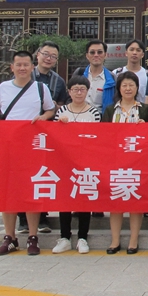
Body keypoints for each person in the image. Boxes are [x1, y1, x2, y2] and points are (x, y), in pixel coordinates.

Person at [0, 51, 56, 256]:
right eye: (19, 65)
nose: (22, 68)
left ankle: (33, 236)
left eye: (26, 65)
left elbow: (50, 110)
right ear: (12, 67)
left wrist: (43, 118)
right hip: (7, 146)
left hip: (32, 147)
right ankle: (10, 237)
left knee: (31, 190)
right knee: (7, 191)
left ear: (32, 67)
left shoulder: (41, 88)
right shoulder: (4, 87)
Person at [17, 40, 65, 234]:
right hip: (23, 134)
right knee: (22, 176)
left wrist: (52, 106)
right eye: (45, 54)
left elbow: (61, 106)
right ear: (37, 55)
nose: (48, 58)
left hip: (45, 136)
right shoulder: (25, 75)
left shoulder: (58, 81)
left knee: (42, 174)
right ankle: (22, 219)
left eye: (53, 56)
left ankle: (42, 217)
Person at [103, 71, 148, 254]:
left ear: (137, 88)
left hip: (138, 163)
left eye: (132, 85)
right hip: (115, 162)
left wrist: (146, 127)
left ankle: (133, 240)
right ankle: (115, 241)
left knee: (135, 202)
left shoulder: (144, 109)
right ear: (119, 88)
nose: (128, 88)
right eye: (124, 85)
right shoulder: (110, 110)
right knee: (115, 202)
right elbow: (103, 136)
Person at [51, 75, 101, 254]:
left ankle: (82, 237)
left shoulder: (94, 113)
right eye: (75, 89)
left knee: (84, 199)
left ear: (88, 91)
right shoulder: (62, 112)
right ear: (69, 92)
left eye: (82, 89)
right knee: (65, 200)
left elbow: (97, 138)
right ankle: (64, 237)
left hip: (86, 162)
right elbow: (56, 137)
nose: (79, 93)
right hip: (65, 162)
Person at [73, 40, 116, 116]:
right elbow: (69, 96)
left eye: (100, 52)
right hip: (78, 117)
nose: (96, 55)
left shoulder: (112, 77)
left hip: (101, 119)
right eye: (92, 52)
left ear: (105, 55)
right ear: (87, 56)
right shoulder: (79, 73)